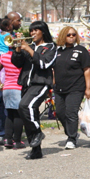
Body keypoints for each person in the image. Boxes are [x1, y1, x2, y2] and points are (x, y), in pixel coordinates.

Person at [11, 20, 56, 160]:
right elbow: (16, 63)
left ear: (43, 31)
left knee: (25, 106)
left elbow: (44, 63)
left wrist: (29, 50)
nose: (33, 33)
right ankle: (36, 150)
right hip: (26, 84)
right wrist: (18, 49)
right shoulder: (28, 46)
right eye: (31, 31)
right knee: (29, 114)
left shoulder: (51, 47)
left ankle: (37, 132)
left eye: (36, 30)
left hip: (40, 83)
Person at [52, 26, 90, 149]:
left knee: (71, 112)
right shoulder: (57, 51)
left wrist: (88, 88)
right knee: (60, 113)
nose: (71, 37)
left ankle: (71, 138)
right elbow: (54, 70)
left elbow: (87, 70)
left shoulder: (81, 51)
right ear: (63, 36)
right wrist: (51, 86)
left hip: (76, 87)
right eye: (68, 35)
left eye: (73, 35)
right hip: (59, 88)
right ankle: (72, 132)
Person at [0, 38, 25, 149]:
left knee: (9, 115)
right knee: (18, 115)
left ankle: (8, 139)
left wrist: (0, 84)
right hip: (18, 87)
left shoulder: (4, 56)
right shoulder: (22, 57)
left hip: (6, 88)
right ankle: (17, 140)